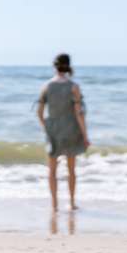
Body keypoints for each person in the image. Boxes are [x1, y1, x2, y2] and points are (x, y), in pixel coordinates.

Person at [36, 53, 90, 211]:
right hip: (71, 130)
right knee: (71, 169)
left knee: (52, 170)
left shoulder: (47, 86)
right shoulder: (74, 87)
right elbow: (79, 113)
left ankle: (54, 205)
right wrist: (85, 135)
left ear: (54, 66)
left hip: (53, 130)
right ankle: (72, 203)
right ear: (69, 66)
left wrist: (45, 127)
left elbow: (39, 113)